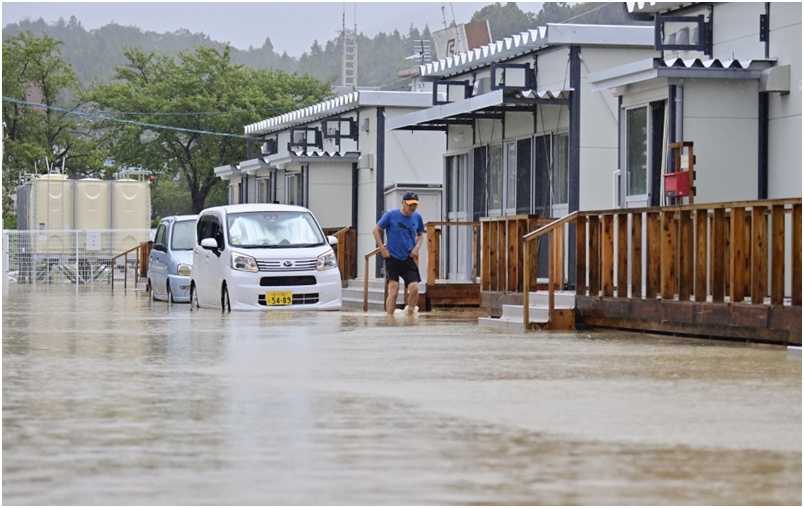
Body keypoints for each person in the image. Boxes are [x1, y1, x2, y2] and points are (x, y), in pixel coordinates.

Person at [373, 192, 424, 316]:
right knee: (393, 290)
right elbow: (376, 230)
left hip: (408, 258)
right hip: (392, 258)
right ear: (403, 203)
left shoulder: (417, 217)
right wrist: (382, 249)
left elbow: (421, 234)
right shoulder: (391, 215)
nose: (412, 207)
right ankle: (389, 318)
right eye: (410, 204)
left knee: (414, 288)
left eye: (415, 205)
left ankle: (410, 313)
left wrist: (416, 248)